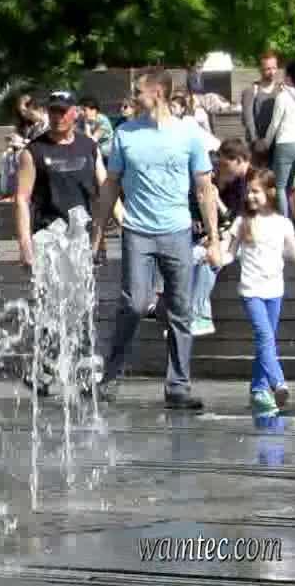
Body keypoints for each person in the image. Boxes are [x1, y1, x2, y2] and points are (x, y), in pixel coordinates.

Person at [92, 68, 220, 409]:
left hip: (177, 232)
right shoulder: (125, 133)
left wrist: (214, 238)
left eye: (139, 91)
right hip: (137, 232)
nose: (133, 96)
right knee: (134, 304)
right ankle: (110, 378)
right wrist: (98, 232)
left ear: (158, 93)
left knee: (180, 309)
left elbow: (204, 188)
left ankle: (178, 387)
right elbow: (110, 185)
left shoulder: (188, 133)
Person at [14, 95, 108, 394]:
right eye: (53, 111)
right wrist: (24, 244)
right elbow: (21, 198)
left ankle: (84, 373)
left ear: (75, 113)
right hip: (49, 238)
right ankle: (44, 369)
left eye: (63, 111)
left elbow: (104, 189)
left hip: (82, 238)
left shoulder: (89, 147)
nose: (58, 117)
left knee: (82, 305)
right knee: (51, 306)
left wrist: (122, 222)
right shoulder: (34, 151)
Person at [222, 168, 295, 414]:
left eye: (256, 191)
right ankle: (278, 383)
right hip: (251, 291)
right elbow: (229, 253)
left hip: (274, 291)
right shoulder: (242, 222)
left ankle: (258, 390)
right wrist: (213, 257)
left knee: (266, 342)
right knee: (264, 336)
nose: (250, 196)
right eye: (248, 191)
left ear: (271, 192)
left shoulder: (282, 223)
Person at [188, 138, 251, 336]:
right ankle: (189, 314)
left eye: (225, 165)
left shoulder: (251, 181)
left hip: (243, 240)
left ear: (238, 160)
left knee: (208, 258)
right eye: (219, 165)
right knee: (192, 256)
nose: (220, 170)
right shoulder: (226, 178)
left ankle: (200, 316)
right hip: (225, 236)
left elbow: (237, 219)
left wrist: (216, 200)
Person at [262, 60, 295, 236]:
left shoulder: (282, 97)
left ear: (289, 77)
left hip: (286, 143)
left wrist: (266, 143)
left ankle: (284, 225)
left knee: (281, 186)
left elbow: (275, 124)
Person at [241, 50, 284, 145]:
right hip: (258, 142)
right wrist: (255, 141)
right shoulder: (251, 91)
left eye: (274, 68)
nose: (272, 72)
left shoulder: (282, 90)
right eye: (268, 69)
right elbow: (248, 119)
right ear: (260, 70)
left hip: (278, 141)